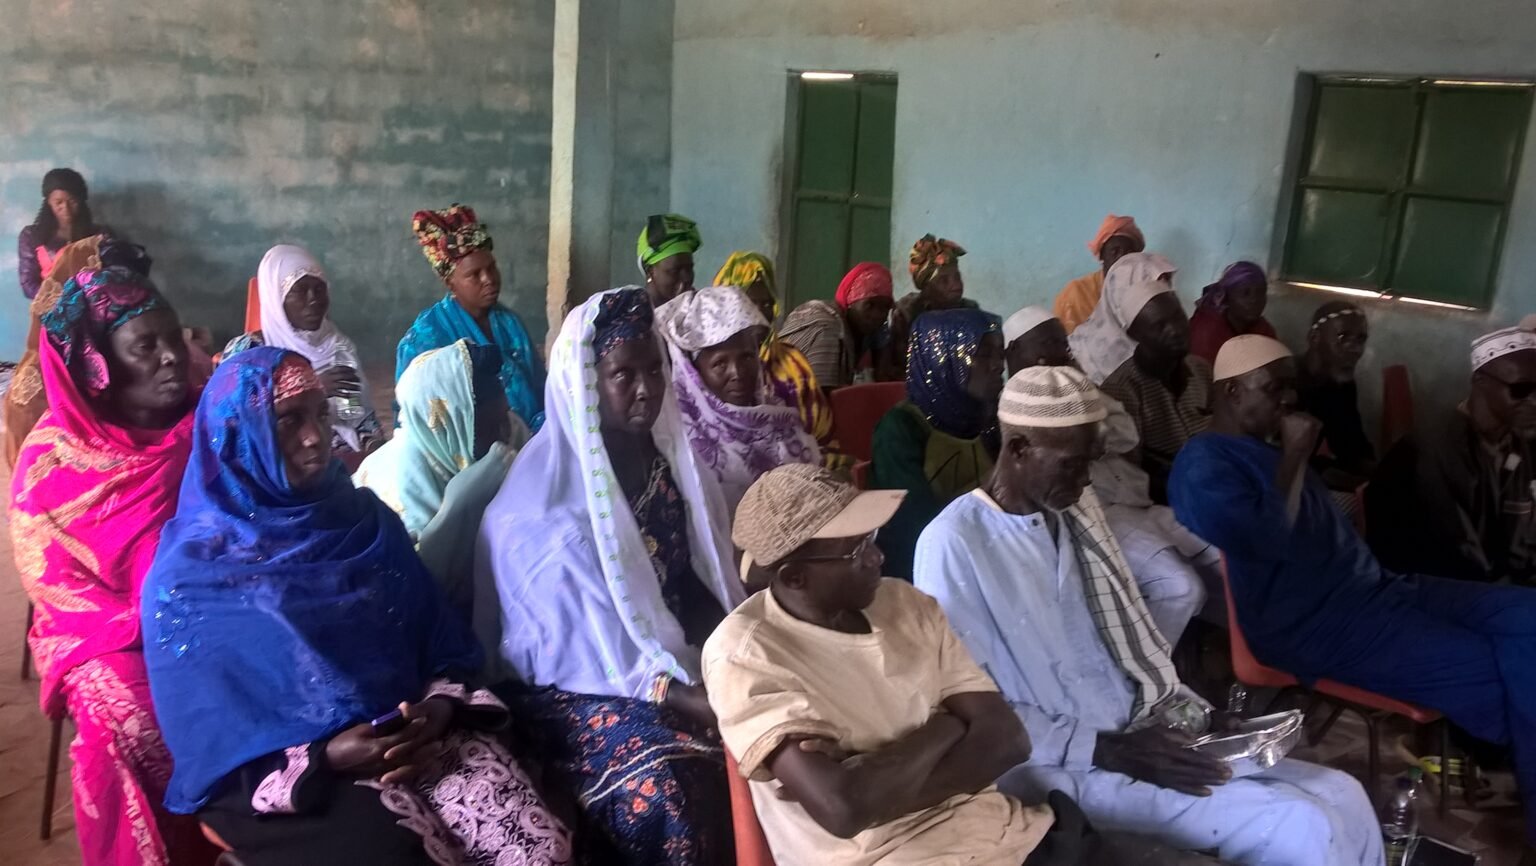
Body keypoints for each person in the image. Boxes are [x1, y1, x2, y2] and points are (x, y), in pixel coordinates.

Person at [916, 365, 1381, 866]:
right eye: (1073, 464)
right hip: (1056, 762)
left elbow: (1130, 648)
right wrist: (1110, 750)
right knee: (1298, 823)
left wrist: (1199, 714)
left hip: (1139, 730)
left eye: (1090, 463)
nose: (1086, 479)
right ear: (1018, 449)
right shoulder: (955, 542)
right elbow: (978, 711)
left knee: (1344, 793)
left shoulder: (1074, 513)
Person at [142, 348, 570, 866]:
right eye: (289, 420)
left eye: (321, 414)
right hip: (284, 771)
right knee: (400, 852)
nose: (315, 437)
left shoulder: (364, 521)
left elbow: (437, 638)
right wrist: (327, 755)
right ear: (238, 437)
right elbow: (213, 734)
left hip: (410, 728)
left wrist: (435, 711)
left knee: (538, 848)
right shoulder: (192, 576)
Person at [705, 463, 1218, 866]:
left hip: (1011, 834)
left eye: (872, 540)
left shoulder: (904, 603)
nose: (877, 557)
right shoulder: (747, 654)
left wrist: (878, 778)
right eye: (856, 550)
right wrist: (950, 726)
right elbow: (844, 809)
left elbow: (1007, 741)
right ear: (794, 578)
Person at [1170, 334, 1536, 850]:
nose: (1288, 400)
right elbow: (1262, 539)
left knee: (1526, 614)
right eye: (1274, 389)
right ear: (1232, 391)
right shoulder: (1203, 462)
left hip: (1378, 589)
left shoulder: (1265, 450)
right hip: (1313, 624)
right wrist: (1295, 456)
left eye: (1290, 389)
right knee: (1492, 669)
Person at [476, 286, 741, 864]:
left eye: (655, 369)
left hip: (668, 659)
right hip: (575, 687)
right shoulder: (539, 512)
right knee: (673, 781)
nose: (646, 388)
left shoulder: (672, 469)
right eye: (624, 374)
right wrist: (692, 696)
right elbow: (579, 650)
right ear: (586, 383)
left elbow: (694, 581)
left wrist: (738, 650)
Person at [9, 241, 213, 866]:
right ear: (99, 366)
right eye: (144, 347)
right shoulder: (51, 464)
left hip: (218, 605)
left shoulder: (211, 421)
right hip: (107, 631)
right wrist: (155, 620)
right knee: (126, 711)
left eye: (172, 337)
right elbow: (59, 589)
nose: (171, 355)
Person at [1003, 307, 1211, 643]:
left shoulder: (1077, 387)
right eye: (1047, 343)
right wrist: (1084, 426)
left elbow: (1127, 433)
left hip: (1137, 502)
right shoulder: (1012, 408)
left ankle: (1218, 646)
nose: (1057, 353)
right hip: (1097, 513)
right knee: (1182, 586)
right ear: (1014, 350)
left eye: (1061, 344)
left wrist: (1080, 393)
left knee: (1221, 549)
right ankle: (1148, 667)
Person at [355, 340, 527, 609]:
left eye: (505, 415)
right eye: (493, 425)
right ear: (450, 428)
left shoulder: (509, 430)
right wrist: (458, 509)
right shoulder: (397, 488)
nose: (506, 433)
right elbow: (413, 593)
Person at [1369, 326, 1536, 585]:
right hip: (1421, 586)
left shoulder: (1513, 443)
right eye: (1521, 390)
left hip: (1481, 582)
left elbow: (1518, 538)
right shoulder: (1436, 449)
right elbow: (1459, 556)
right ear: (1480, 380)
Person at [656, 285, 820, 511]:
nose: (737, 373)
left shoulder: (780, 421)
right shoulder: (684, 442)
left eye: (747, 357)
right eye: (720, 363)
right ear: (695, 373)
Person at [871, 308, 1005, 581]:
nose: (998, 366)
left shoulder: (989, 417)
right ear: (943, 359)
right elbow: (913, 524)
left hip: (987, 550)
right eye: (983, 355)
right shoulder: (901, 428)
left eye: (999, 354)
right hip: (926, 568)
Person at [224, 244, 384, 460]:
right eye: (299, 291)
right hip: (275, 457)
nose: (313, 299)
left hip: (335, 452)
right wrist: (310, 388)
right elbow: (232, 416)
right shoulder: (248, 353)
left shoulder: (338, 347)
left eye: (319, 289)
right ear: (277, 298)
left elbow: (352, 411)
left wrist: (374, 444)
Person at [1073, 253, 1211, 503]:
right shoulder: (1123, 389)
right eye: (1159, 326)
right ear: (1135, 334)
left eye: (1178, 317)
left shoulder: (1201, 370)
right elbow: (1134, 471)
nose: (1176, 330)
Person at [398, 204, 547, 431]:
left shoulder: (509, 323)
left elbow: (539, 388)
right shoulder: (426, 338)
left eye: (491, 268)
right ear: (450, 283)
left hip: (530, 438)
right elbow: (416, 418)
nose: (489, 279)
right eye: (474, 274)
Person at [715, 250, 846, 465]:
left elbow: (822, 436)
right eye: (749, 303)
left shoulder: (792, 363)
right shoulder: (709, 368)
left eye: (767, 304)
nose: (759, 314)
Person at [4, 234, 103, 467]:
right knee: (27, 398)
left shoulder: (94, 239)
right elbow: (29, 284)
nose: (66, 211)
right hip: (57, 302)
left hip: (78, 308)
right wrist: (58, 292)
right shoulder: (34, 235)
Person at [779, 261, 897, 389]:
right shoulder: (827, 329)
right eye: (869, 305)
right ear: (850, 302)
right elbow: (823, 393)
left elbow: (883, 376)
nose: (877, 315)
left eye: (885, 307)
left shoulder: (870, 327)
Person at [1296, 301, 1375, 489]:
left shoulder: (1341, 385)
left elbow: (1350, 446)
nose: (1355, 349)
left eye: (1360, 339)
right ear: (1314, 338)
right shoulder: (1288, 383)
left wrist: (1379, 474)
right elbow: (1277, 457)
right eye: (1342, 337)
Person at [890, 234, 977, 375]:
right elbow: (900, 365)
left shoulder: (970, 311)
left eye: (957, 277)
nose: (955, 285)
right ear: (926, 288)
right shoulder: (907, 313)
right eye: (944, 280)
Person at [17, 168, 106, 299]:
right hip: (51, 307)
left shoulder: (99, 235)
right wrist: (63, 299)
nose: (66, 208)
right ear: (48, 201)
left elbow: (109, 277)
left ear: (81, 200)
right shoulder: (31, 236)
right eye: (58, 202)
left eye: (72, 201)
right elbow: (28, 285)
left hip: (91, 306)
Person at [1052, 214, 1145, 335]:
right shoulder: (1076, 293)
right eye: (1115, 251)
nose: (1122, 258)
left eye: (1129, 252)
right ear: (1101, 256)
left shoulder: (1145, 288)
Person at [1187, 261, 1277, 364]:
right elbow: (1203, 372)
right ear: (1227, 297)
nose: (1254, 300)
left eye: (1261, 292)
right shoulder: (1206, 332)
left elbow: (1275, 364)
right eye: (1245, 294)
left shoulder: (1262, 328)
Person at [637, 212, 700, 306]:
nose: (686, 278)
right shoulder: (631, 311)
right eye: (675, 271)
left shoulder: (699, 306)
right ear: (650, 271)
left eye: (689, 268)